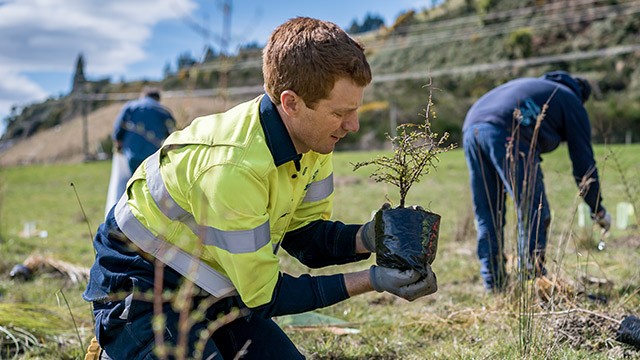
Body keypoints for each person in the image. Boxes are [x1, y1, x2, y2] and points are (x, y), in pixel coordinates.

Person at [83, 17, 438, 360]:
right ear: (291, 103)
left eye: (355, 110)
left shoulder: (314, 141)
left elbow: (305, 238)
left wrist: (369, 238)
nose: (354, 125)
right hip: (143, 289)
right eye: (340, 113)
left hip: (215, 288)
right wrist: (373, 279)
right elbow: (266, 296)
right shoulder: (232, 169)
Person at [462, 70, 611, 292]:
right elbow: (584, 164)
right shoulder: (571, 100)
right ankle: (533, 284)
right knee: (535, 211)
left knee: (488, 212)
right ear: (582, 97)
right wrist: (597, 208)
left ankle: (494, 285)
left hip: (471, 128)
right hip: (507, 131)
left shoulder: (537, 87)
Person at [112, 87, 176, 174]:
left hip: (132, 151)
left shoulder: (130, 107)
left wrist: (118, 142)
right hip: (154, 153)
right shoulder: (162, 111)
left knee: (135, 179)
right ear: (157, 99)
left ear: (143, 96)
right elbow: (172, 131)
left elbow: (119, 126)